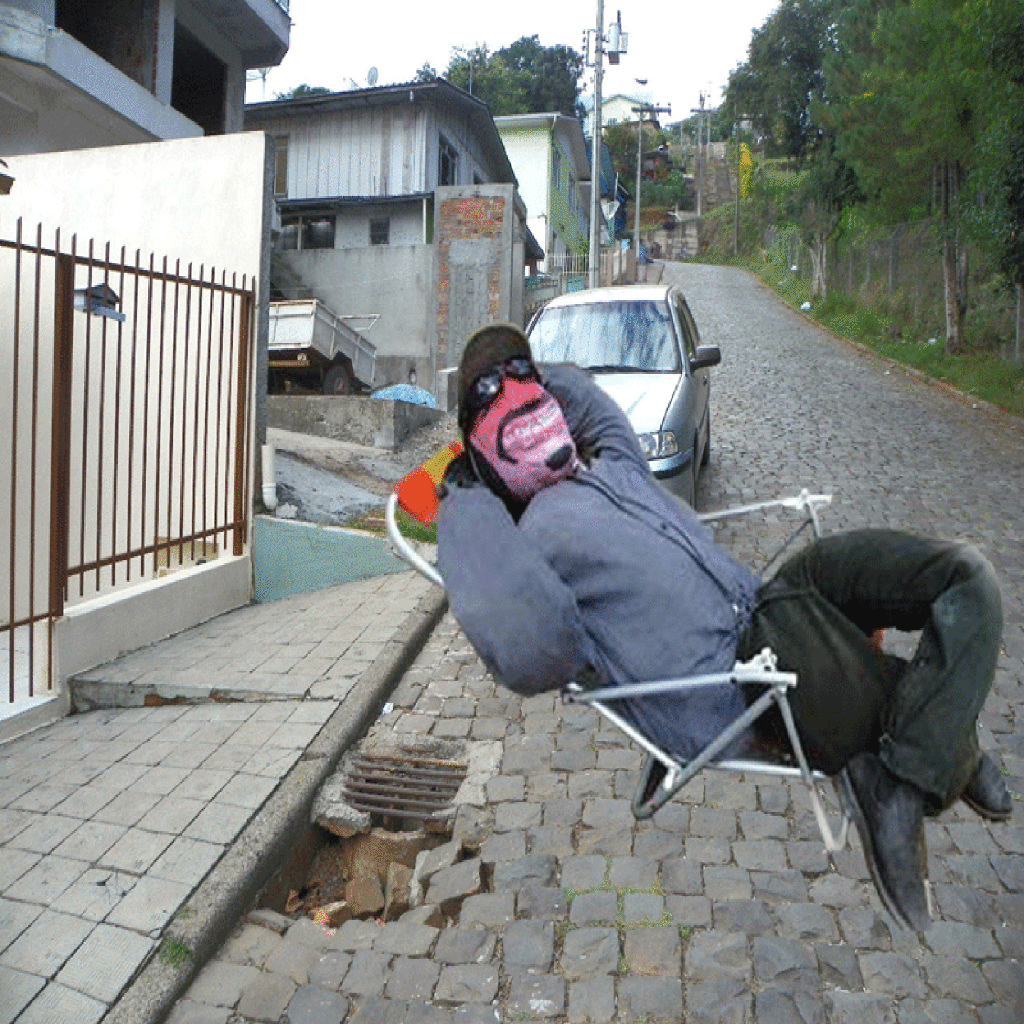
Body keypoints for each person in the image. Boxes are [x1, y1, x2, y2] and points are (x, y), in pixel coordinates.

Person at [436, 321, 1012, 932]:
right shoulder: (531, 545)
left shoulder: (611, 464)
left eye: (528, 387)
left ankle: (918, 765)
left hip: (777, 600)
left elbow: (588, 401)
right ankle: (926, 764)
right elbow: (530, 650)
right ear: (483, 449)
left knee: (965, 576)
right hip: (748, 678)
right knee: (885, 668)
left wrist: (524, 367)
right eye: (494, 400)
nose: (521, 399)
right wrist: (462, 490)